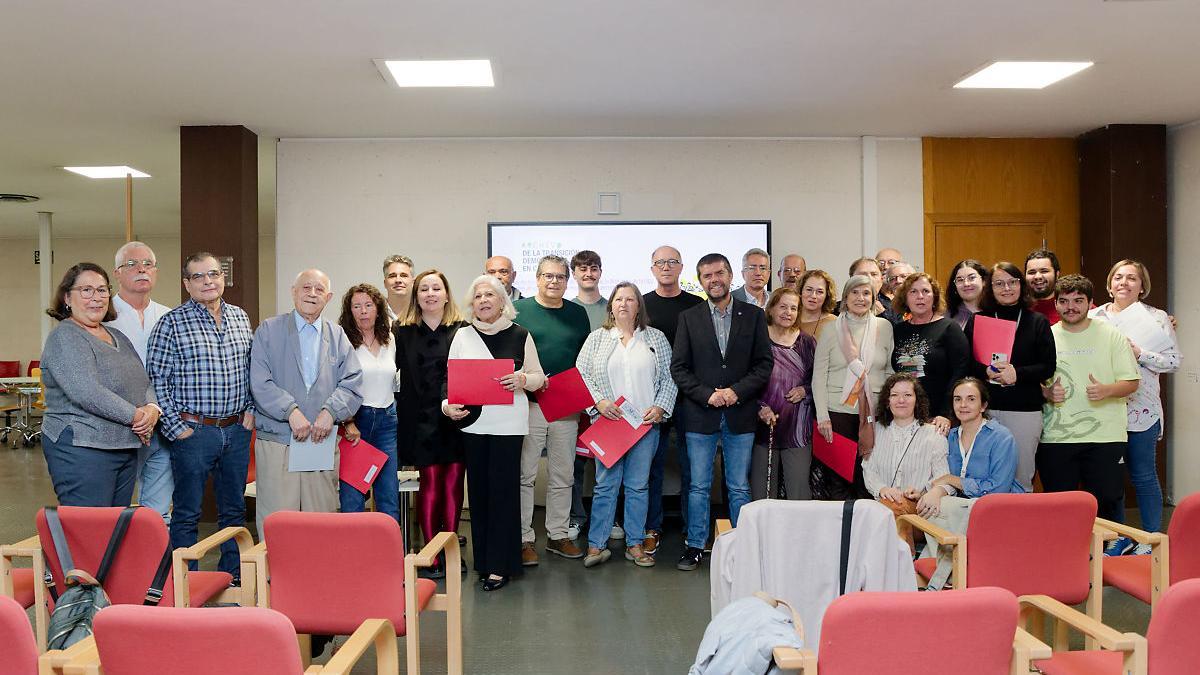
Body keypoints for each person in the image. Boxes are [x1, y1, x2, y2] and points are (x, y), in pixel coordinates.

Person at [147, 253, 255, 581]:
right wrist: (176, 428)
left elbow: (252, 369)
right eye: (199, 277)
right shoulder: (171, 323)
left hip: (236, 430)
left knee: (234, 511)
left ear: (223, 278)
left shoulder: (240, 317)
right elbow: (156, 380)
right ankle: (185, 583)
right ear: (186, 284)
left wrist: (250, 409)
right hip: (193, 431)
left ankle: (233, 578)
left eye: (213, 274)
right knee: (186, 514)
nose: (208, 281)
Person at [670, 253, 773, 571]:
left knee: (738, 486)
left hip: (740, 413)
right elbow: (680, 368)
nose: (714, 280)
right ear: (700, 281)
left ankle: (741, 546)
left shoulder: (754, 316)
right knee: (699, 485)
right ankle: (696, 545)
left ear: (730, 276)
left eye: (719, 273)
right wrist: (707, 395)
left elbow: (764, 364)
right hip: (701, 415)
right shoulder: (689, 317)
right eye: (707, 276)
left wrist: (736, 392)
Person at [443, 275, 546, 591]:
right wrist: (447, 404)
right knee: (479, 494)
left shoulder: (520, 335)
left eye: (490, 294)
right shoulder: (462, 336)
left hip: (509, 425)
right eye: (478, 296)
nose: (483, 300)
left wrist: (523, 381)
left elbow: (539, 377)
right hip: (473, 423)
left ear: (503, 301)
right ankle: (484, 562)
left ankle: (502, 565)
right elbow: (451, 380)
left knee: (503, 494)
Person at [250, 269, 363, 533]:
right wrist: (290, 411)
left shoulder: (337, 336)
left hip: (320, 440)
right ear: (293, 292)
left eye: (319, 290)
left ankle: (319, 575)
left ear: (329, 297)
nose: (312, 294)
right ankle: (274, 576)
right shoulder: (269, 330)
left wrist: (330, 413)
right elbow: (259, 381)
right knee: (278, 522)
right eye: (306, 288)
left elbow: (353, 383)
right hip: (278, 440)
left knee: (321, 520)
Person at [41, 263, 159, 507]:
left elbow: (143, 380)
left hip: (123, 446)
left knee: (114, 531)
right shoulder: (65, 336)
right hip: (82, 448)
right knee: (89, 533)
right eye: (86, 290)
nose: (96, 298)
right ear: (67, 298)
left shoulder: (118, 336)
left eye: (102, 290)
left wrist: (152, 409)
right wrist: (138, 416)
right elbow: (87, 392)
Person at [575, 282, 676, 568]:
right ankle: (597, 545)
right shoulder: (597, 338)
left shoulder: (655, 338)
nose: (623, 304)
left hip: (644, 425)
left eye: (630, 299)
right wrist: (599, 402)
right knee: (605, 485)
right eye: (618, 299)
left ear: (638, 306)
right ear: (611, 306)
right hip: (610, 423)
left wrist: (660, 407)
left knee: (638, 486)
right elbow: (582, 375)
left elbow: (670, 378)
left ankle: (634, 543)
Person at [1089, 260, 1181, 555]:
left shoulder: (1157, 319)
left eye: (1132, 278)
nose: (1124, 283)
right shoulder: (1094, 316)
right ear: (1109, 283)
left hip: (1142, 409)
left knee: (1143, 474)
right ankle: (1116, 538)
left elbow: (1173, 362)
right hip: (1102, 408)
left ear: (1143, 286)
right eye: (1118, 277)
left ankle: (1152, 539)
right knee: (1109, 478)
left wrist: (1140, 353)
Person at [1039, 274, 1139, 522]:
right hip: (1056, 437)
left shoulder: (1111, 335)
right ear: (1056, 304)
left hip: (1104, 436)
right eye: (1064, 301)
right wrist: (1046, 393)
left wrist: (1106, 390)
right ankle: (1066, 557)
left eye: (1078, 300)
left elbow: (1132, 382)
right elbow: (1029, 382)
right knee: (1060, 507)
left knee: (1107, 502)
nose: (1071, 307)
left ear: (1090, 303)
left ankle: (1105, 555)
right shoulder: (1045, 336)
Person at [513, 255, 592, 563]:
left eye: (560, 277)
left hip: (566, 407)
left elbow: (583, 358)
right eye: (548, 276)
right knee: (526, 475)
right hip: (529, 404)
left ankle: (557, 536)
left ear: (567, 280)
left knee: (563, 475)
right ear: (537, 279)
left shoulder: (578, 313)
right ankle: (523, 539)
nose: (554, 281)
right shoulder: (521, 311)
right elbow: (510, 353)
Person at [395, 269, 468, 578]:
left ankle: (450, 554)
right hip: (419, 421)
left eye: (436, 288)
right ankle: (430, 557)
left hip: (455, 418)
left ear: (447, 294)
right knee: (430, 486)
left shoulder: (464, 330)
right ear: (417, 297)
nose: (430, 293)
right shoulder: (402, 331)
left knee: (452, 487)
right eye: (423, 289)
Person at [917, 377, 1023, 590]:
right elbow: (940, 474)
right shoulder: (950, 436)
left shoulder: (1001, 437)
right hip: (963, 508)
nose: (963, 405)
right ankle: (943, 573)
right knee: (931, 504)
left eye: (971, 399)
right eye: (958, 399)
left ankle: (940, 576)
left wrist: (952, 481)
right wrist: (926, 489)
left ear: (983, 405)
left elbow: (998, 488)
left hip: (996, 508)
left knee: (945, 507)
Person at [963, 261, 1056, 492]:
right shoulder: (978, 320)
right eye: (999, 283)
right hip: (985, 409)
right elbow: (964, 363)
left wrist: (1018, 373)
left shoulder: (1037, 322)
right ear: (990, 288)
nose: (1006, 288)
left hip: (1024, 410)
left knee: (1021, 477)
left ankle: (1020, 526)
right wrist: (984, 370)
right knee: (983, 473)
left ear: (1021, 285)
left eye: (1012, 282)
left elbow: (1048, 366)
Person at [105, 241, 173, 521]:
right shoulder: (103, 315)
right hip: (115, 426)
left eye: (147, 264)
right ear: (117, 273)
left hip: (161, 424)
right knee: (109, 512)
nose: (141, 270)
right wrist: (134, 414)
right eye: (131, 264)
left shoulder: (169, 315)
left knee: (157, 514)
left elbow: (174, 373)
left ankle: (153, 565)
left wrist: (154, 410)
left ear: (156, 272)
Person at [641, 245, 703, 554]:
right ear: (652, 268)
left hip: (691, 398)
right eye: (660, 262)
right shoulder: (641, 305)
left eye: (672, 262)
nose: (666, 266)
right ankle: (652, 527)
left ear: (681, 267)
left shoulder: (696, 305)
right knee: (651, 466)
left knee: (693, 468)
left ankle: (695, 531)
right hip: (653, 400)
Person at [812, 274, 895, 499]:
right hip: (837, 414)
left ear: (873, 297)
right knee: (839, 481)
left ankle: (863, 532)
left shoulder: (884, 327)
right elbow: (818, 376)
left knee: (867, 478)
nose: (860, 298)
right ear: (845, 298)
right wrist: (822, 416)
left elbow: (888, 371)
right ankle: (841, 531)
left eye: (866, 293)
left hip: (873, 414)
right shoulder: (831, 329)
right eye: (855, 293)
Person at [860, 374, 949, 553]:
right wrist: (883, 489)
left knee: (891, 509)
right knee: (879, 511)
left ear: (917, 400)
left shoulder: (934, 434)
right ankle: (904, 571)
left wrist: (923, 492)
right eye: (894, 395)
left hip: (920, 513)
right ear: (887, 401)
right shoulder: (875, 431)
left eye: (908, 395)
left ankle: (894, 570)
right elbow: (868, 469)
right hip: (882, 505)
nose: (901, 400)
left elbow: (944, 479)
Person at [335, 284, 399, 523]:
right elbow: (336, 384)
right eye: (357, 306)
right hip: (356, 422)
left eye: (368, 305)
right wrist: (347, 421)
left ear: (378, 308)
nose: (363, 311)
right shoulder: (343, 341)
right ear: (349, 311)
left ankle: (388, 557)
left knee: (389, 496)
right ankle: (355, 558)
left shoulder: (389, 338)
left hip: (387, 421)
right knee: (353, 497)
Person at [752, 287, 817, 501]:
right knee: (763, 492)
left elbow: (816, 380)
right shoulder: (757, 339)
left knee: (799, 491)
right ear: (770, 309)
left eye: (793, 308)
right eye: (782, 306)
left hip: (797, 428)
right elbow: (744, 378)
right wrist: (759, 407)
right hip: (762, 427)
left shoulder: (807, 343)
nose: (788, 312)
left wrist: (804, 390)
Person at [889, 272, 970, 436]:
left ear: (934, 297)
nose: (920, 297)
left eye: (926, 291)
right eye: (913, 292)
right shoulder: (898, 330)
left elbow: (961, 372)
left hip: (939, 417)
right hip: (905, 415)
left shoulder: (949, 328)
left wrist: (946, 413)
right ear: (905, 298)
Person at [568, 250, 607, 542]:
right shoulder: (568, 310)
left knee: (610, 460)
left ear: (600, 272)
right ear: (574, 274)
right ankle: (577, 517)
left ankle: (611, 518)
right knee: (575, 463)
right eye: (582, 269)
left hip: (608, 400)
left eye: (593, 268)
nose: (588, 274)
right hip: (577, 398)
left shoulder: (613, 308)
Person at [946, 259, 988, 328]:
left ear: (983, 281)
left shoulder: (996, 313)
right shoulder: (946, 317)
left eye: (971, 278)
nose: (966, 284)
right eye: (960, 280)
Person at [796, 269, 837, 339]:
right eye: (809, 290)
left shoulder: (834, 323)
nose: (813, 296)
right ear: (801, 291)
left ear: (827, 295)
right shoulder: (789, 318)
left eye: (820, 292)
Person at [1025, 248, 1061, 324]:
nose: (1038, 276)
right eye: (1032, 272)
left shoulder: (1074, 306)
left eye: (1044, 271)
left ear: (1057, 274)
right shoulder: (1019, 307)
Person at [382, 254, 415, 322]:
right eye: (392, 276)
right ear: (385, 283)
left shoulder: (423, 313)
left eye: (404, 275)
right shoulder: (374, 314)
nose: (398, 280)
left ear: (413, 282)